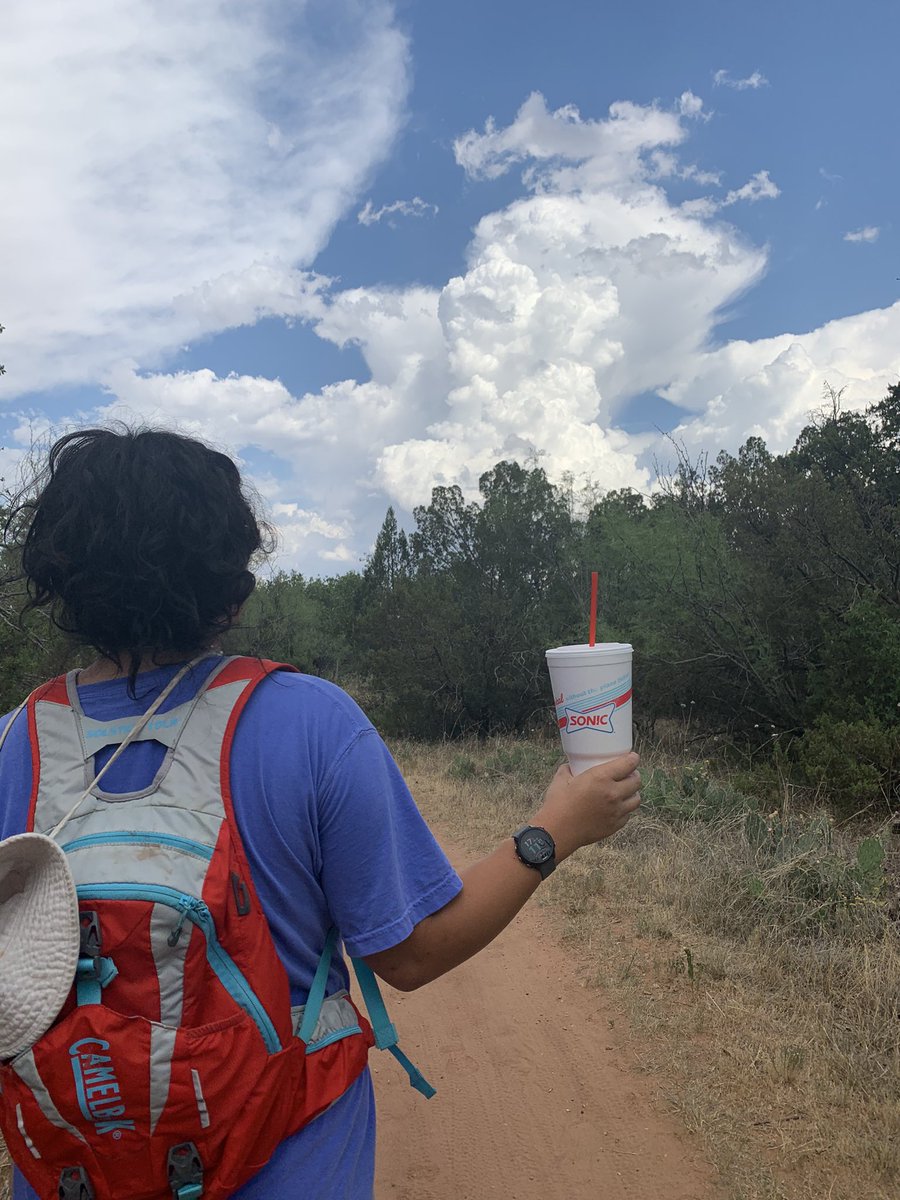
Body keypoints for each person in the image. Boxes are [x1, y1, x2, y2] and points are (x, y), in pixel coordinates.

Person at [0, 427, 641, 1200]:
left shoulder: (14, 742)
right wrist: (555, 833)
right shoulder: (310, 721)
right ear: (230, 592)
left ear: (64, 587)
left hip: (73, 1167)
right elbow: (410, 958)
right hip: (286, 1157)